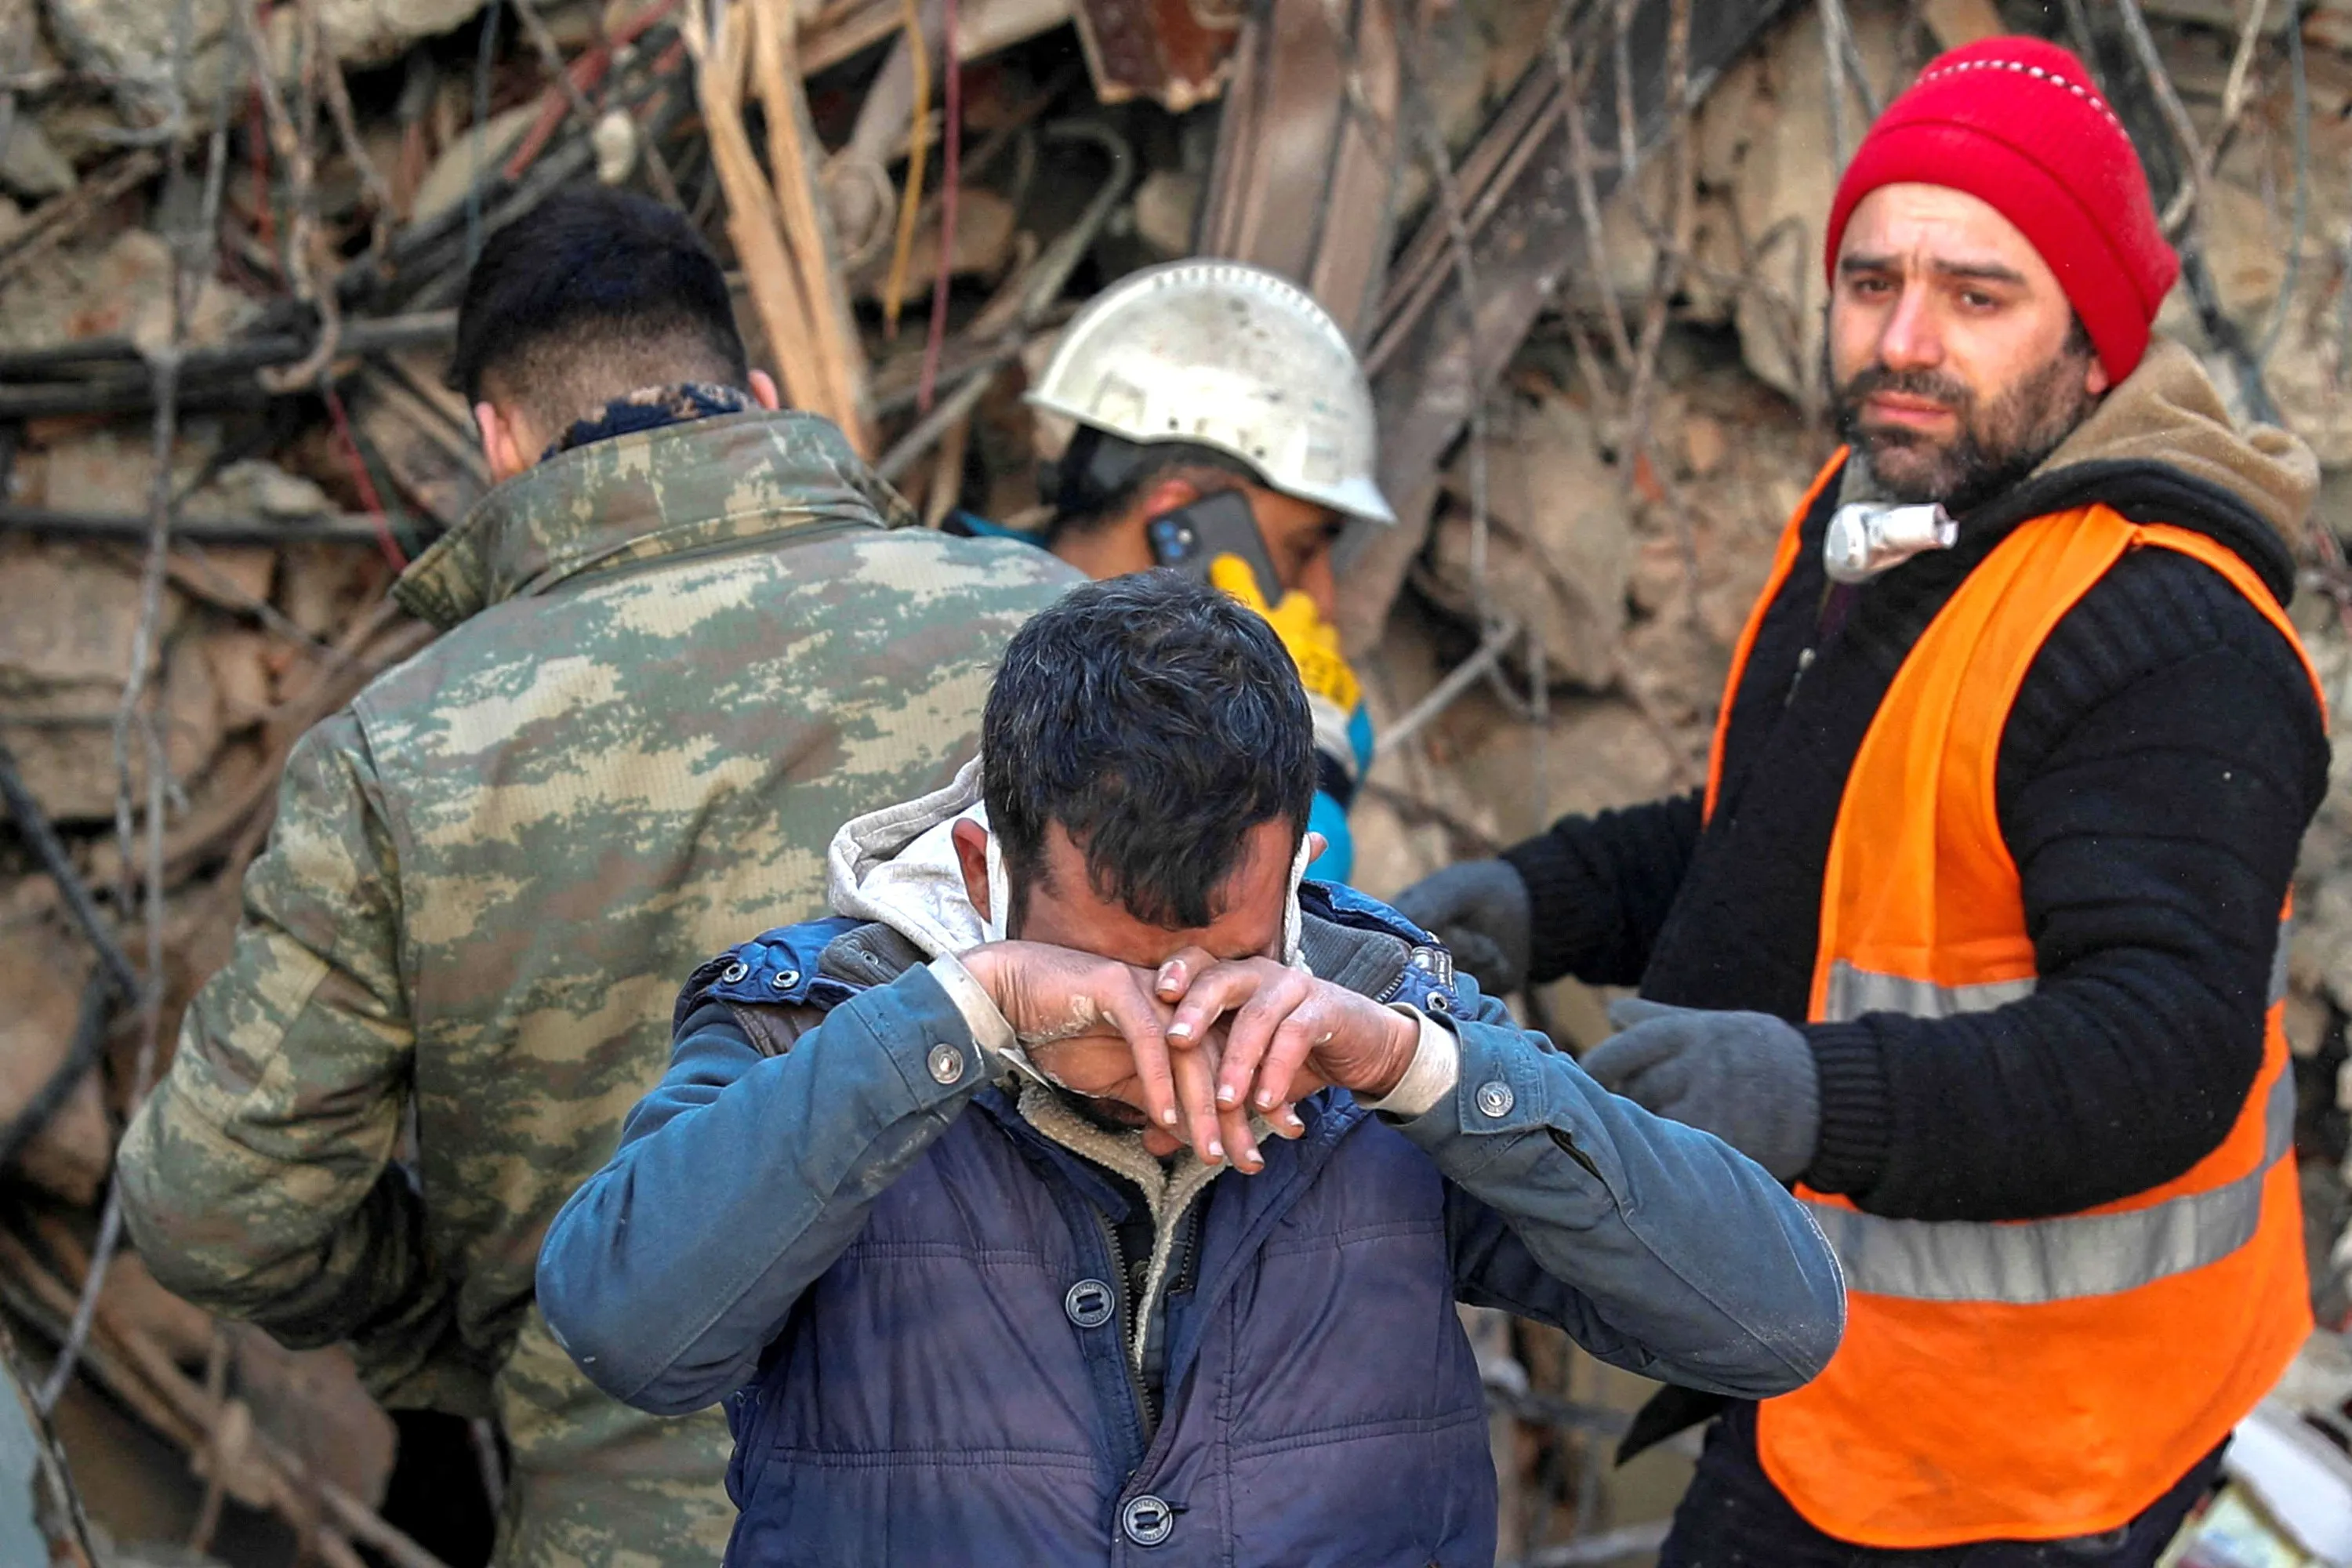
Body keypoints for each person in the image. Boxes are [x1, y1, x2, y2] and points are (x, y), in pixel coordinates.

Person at [1396, 36, 2329, 1566]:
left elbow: (2163, 1053)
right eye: (1870, 281)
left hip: (2026, 1453)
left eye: (1977, 296)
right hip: (1827, 1359)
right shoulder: (1889, 517)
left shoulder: (2165, 632)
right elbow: (1799, 843)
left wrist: (1804, 1094)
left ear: (2095, 340)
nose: (1904, 340)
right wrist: (1535, 900)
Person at [115, 186, 1076, 1566]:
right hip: (1069, 1512)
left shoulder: (404, 752)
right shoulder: (1054, 634)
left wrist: (485, 1319)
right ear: (758, 398)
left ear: (498, 444)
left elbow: (213, 1205)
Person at [535, 572, 1847, 1567]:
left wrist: (1425, 1075)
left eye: (1221, 972)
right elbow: (629, 1329)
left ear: (1295, 874)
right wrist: (951, 1025)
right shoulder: (823, 1018)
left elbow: (1772, 1323)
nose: (1170, 1041)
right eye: (1103, 980)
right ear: (987, 870)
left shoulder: (1383, 1017)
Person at [956, 259, 1387, 880]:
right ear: (1178, 523)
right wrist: (1307, 763)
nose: (1323, 601)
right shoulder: (1012, 689)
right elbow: (1260, 914)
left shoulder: (951, 573)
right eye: (1300, 549)